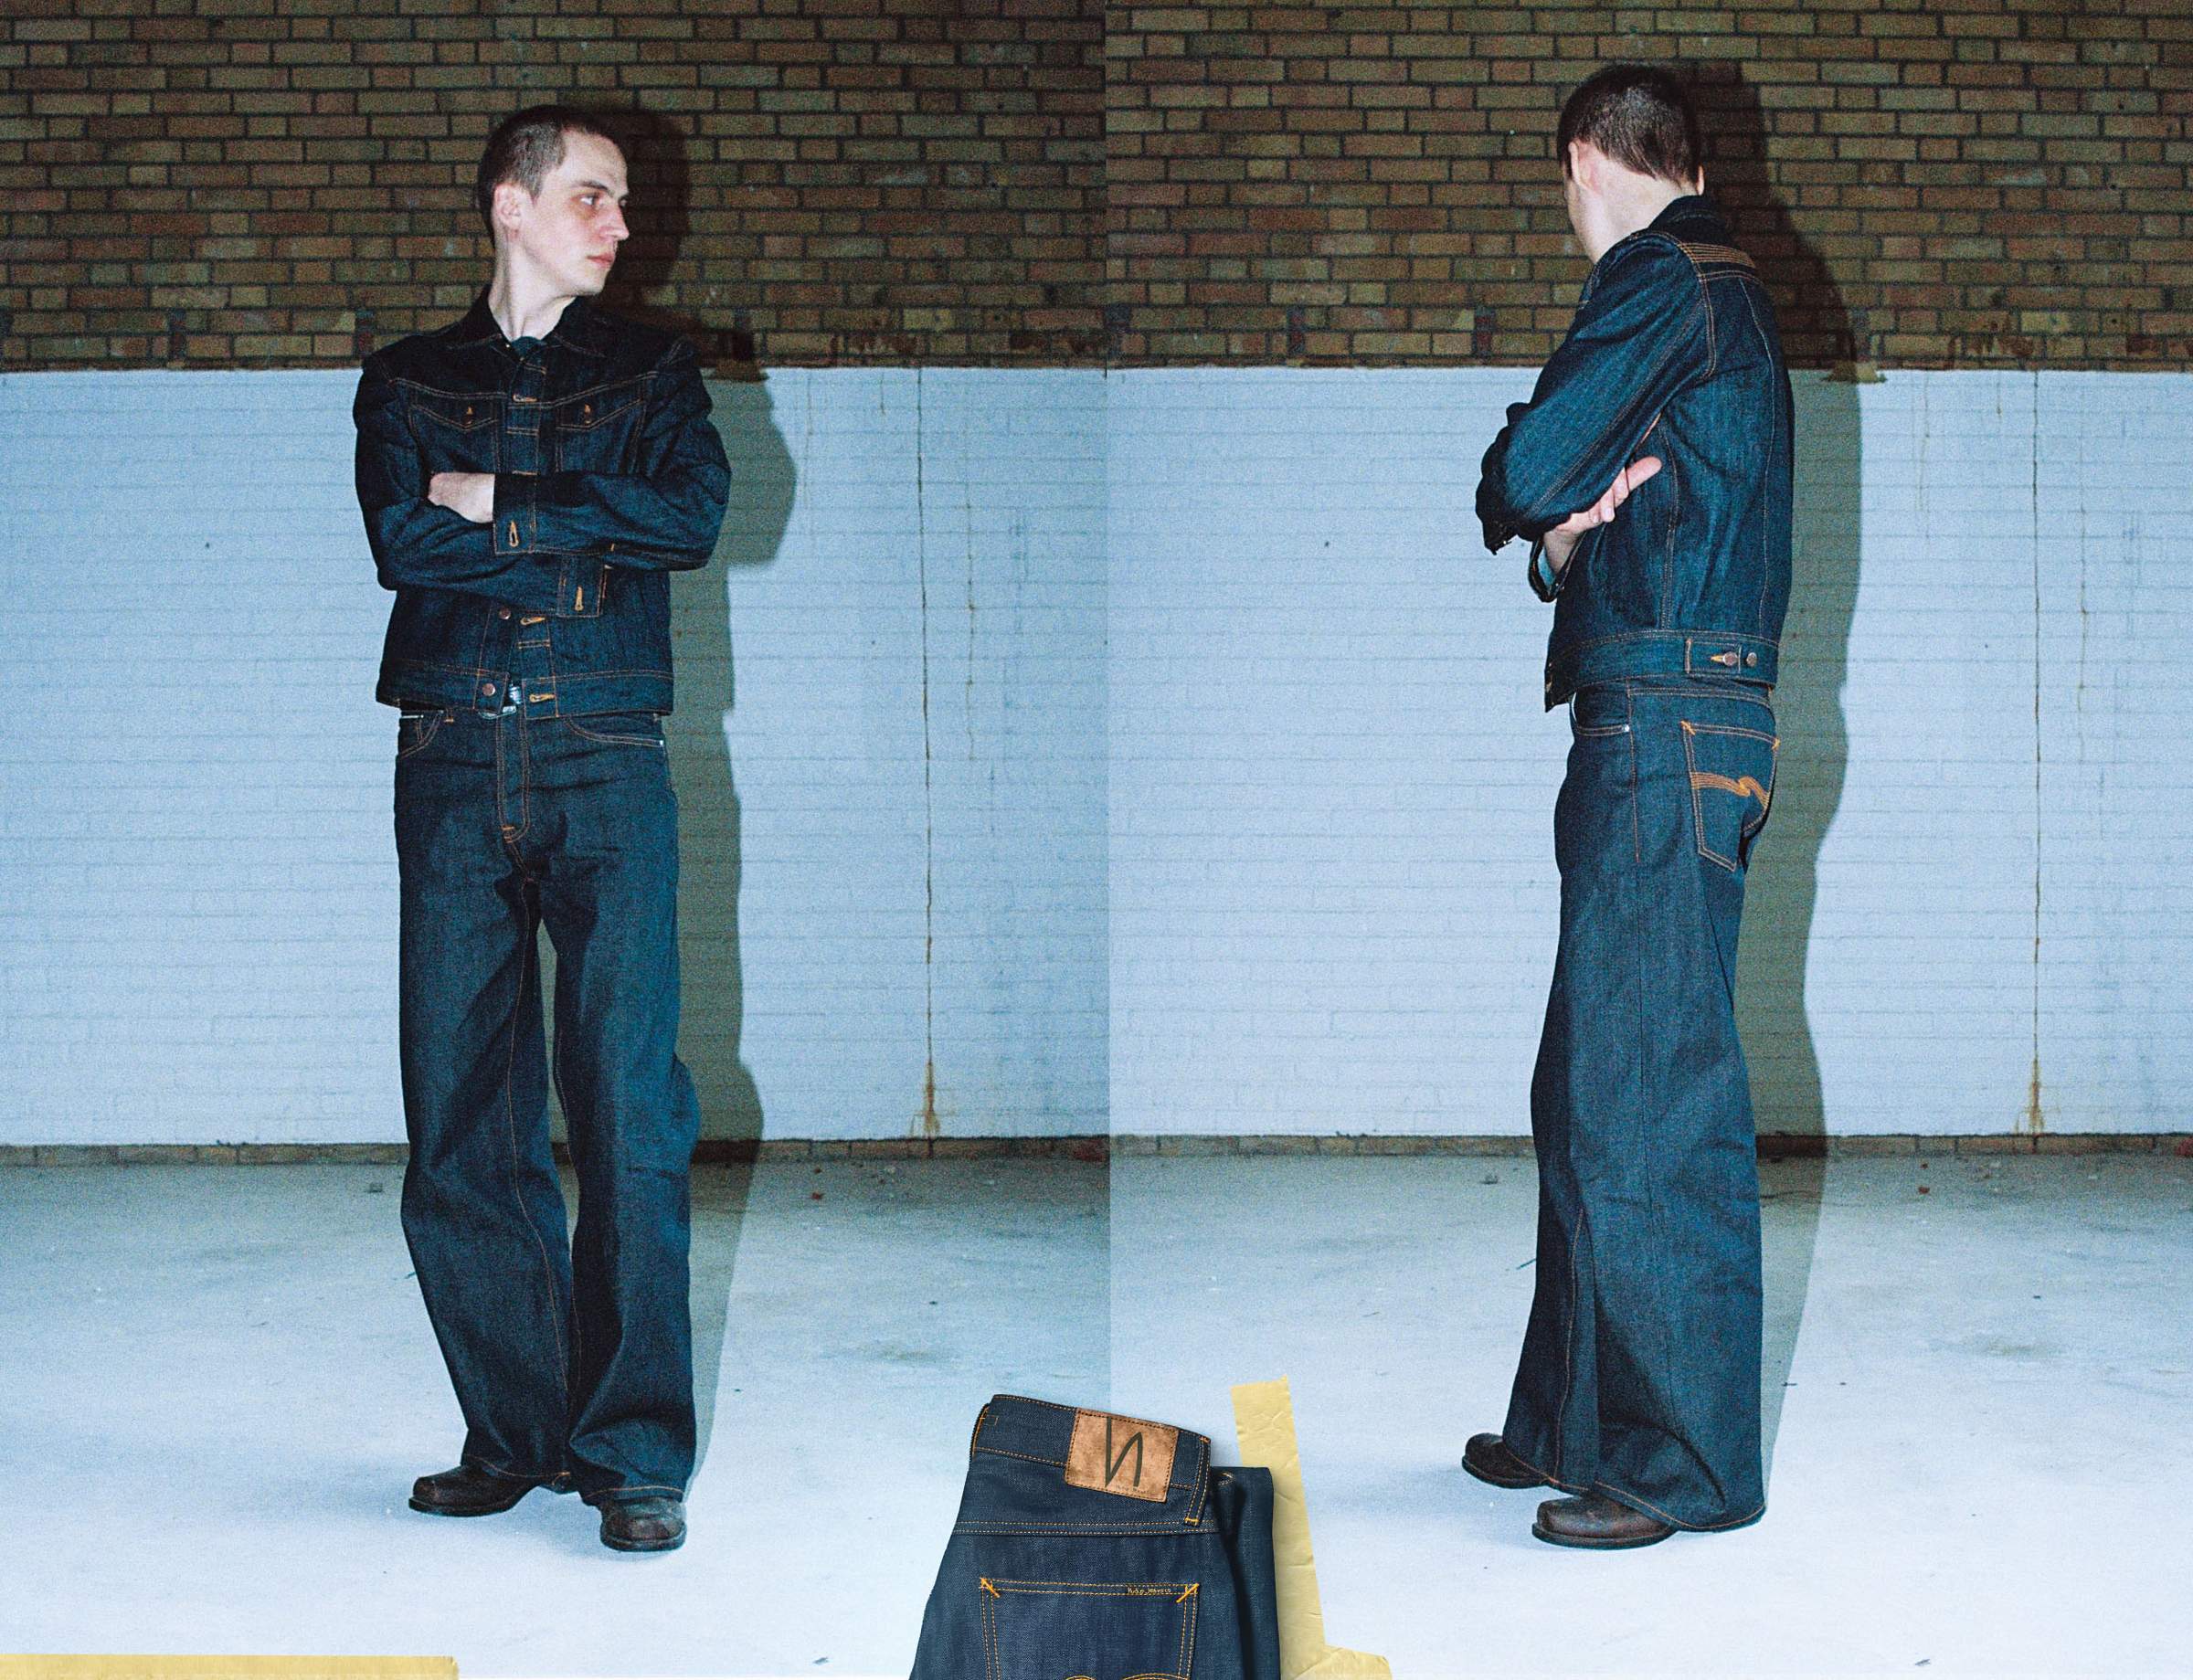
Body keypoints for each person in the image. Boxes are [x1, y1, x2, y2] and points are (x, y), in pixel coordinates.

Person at [352, 104, 730, 1554]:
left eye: (621, 202)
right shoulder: (407, 379)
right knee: (460, 1114)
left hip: (604, 756)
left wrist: (499, 500)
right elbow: (402, 540)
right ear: (510, 205)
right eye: (591, 197)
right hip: (450, 757)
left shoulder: (654, 369)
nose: (620, 224)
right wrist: (582, 527)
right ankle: (513, 1434)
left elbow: (687, 519)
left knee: (630, 1107)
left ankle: (632, 1457)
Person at [1467, 64, 1794, 1549]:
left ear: (1584, 159)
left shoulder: (1664, 277)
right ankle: (1570, 1422)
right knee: (1591, 1086)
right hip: (1667, 717)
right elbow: (1569, 508)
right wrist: (1559, 539)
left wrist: (1536, 497)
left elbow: (1531, 465)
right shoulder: (1716, 296)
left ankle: (1685, 1466)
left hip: (1667, 724)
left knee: (1651, 1097)